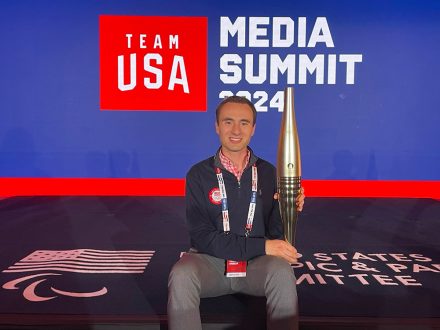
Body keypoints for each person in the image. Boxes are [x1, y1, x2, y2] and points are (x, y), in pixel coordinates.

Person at [168, 96, 305, 330]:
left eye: (244, 123)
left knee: (282, 272)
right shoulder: (198, 174)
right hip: (210, 263)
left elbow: (275, 233)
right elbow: (202, 236)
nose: (236, 130)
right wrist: (263, 246)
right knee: (181, 275)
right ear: (217, 126)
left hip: (255, 265)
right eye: (228, 121)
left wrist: (289, 209)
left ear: (253, 128)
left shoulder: (270, 173)